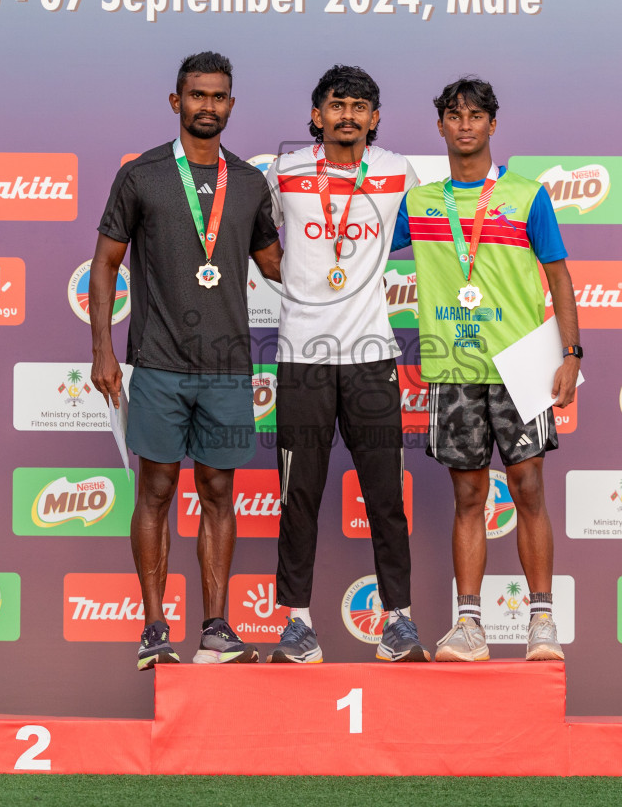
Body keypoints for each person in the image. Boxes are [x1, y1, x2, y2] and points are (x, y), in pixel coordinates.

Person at [89, 51, 283, 670]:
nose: (208, 105)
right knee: (156, 490)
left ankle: (216, 630)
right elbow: (104, 264)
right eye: (196, 95)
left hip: (228, 369)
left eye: (218, 96)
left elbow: (278, 266)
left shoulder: (250, 183)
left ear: (231, 104)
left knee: (220, 492)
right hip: (159, 363)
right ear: (176, 103)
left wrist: (350, 258)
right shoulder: (141, 176)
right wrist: (102, 350)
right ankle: (153, 629)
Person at [390, 76, 581, 662]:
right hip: (453, 367)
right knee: (468, 496)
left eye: (476, 116)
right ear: (441, 126)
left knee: (528, 489)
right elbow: (360, 248)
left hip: (521, 364)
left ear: (493, 125)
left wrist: (570, 354)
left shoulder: (527, 195)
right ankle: (469, 626)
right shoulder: (419, 203)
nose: (465, 125)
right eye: (454, 115)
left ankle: (541, 622)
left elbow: (559, 277)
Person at [263, 65, 426, 664]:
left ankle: (400, 622)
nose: (348, 116)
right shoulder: (283, 172)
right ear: (317, 114)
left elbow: (438, 229)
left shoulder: (395, 170)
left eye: (360, 107)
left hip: (372, 355)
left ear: (375, 119)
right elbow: (256, 240)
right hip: (301, 355)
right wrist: (303, 284)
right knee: (299, 492)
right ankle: (296, 624)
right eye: (337, 105)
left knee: (385, 494)